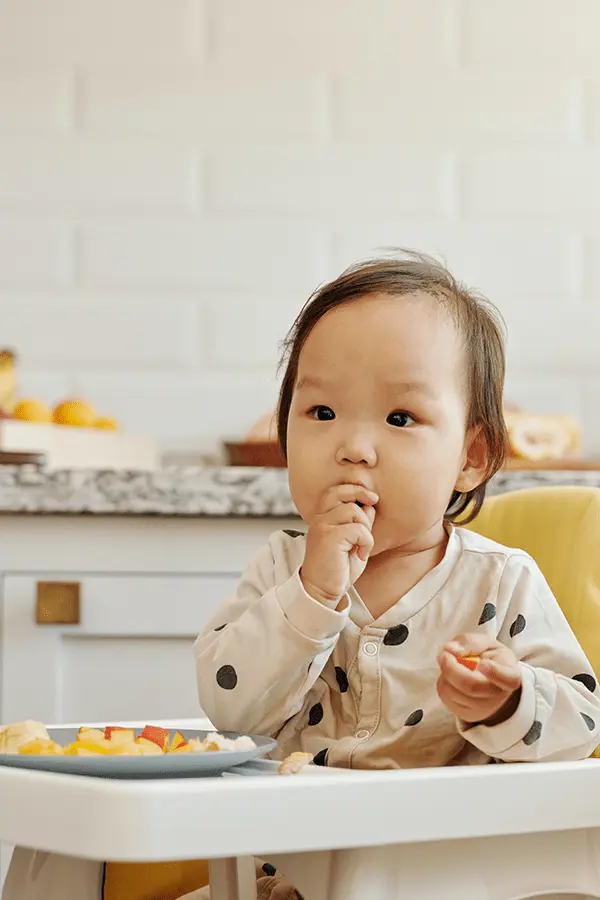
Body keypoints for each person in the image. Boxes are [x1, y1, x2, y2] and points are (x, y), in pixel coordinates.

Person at [183, 251, 600, 898]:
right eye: (320, 413)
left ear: (470, 457)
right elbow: (231, 710)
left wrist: (510, 698)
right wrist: (313, 596)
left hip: (447, 880)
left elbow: (580, 730)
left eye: (400, 419)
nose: (353, 446)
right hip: (286, 877)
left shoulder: (501, 583)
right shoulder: (282, 569)